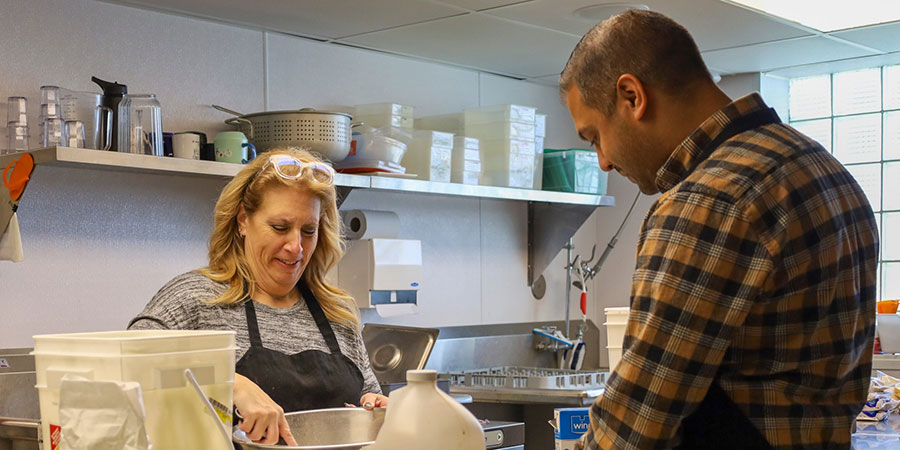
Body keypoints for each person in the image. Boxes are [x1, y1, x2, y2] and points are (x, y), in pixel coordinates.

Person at [560, 10, 878, 450]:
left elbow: (635, 424)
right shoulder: (822, 166)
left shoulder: (708, 200)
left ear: (632, 96)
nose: (604, 160)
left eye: (595, 136)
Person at [128, 148, 388, 446]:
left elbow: (370, 403)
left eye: (308, 230)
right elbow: (130, 361)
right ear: (242, 221)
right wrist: (230, 383)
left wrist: (375, 409)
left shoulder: (337, 314)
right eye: (280, 227)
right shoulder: (196, 299)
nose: (296, 247)